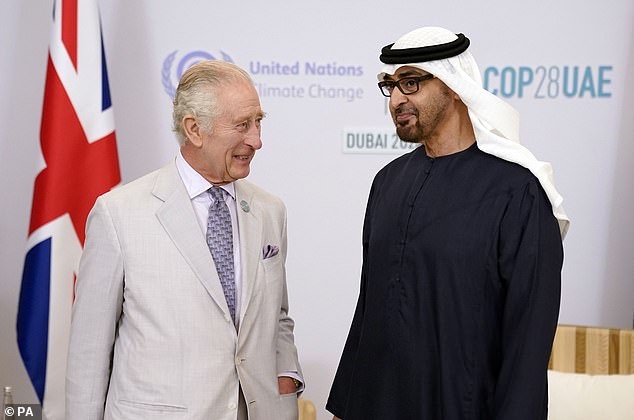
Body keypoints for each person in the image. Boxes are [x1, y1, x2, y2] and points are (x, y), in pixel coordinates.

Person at [327, 27, 569, 420]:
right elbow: (369, 310)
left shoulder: (519, 191)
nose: (397, 99)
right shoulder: (386, 183)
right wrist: (345, 406)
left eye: (411, 83)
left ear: (455, 87)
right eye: (390, 86)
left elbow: (527, 340)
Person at [66, 60, 303, 420]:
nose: (256, 139)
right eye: (242, 125)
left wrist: (285, 378)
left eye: (258, 121)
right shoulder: (119, 214)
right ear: (194, 129)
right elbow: (89, 350)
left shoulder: (271, 211)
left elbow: (277, 317)